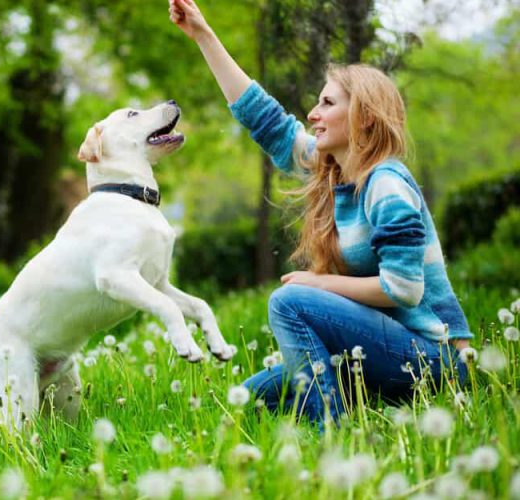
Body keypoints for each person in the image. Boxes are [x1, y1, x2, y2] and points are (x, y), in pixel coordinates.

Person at [168, 0, 473, 428]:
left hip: (432, 360)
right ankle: (340, 406)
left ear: (364, 117)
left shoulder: (386, 184)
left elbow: (404, 290)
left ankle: (329, 430)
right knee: (252, 397)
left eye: (327, 103)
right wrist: (203, 34)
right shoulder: (336, 174)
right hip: (379, 350)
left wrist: (319, 284)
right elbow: (266, 120)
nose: (312, 114)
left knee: (290, 301)